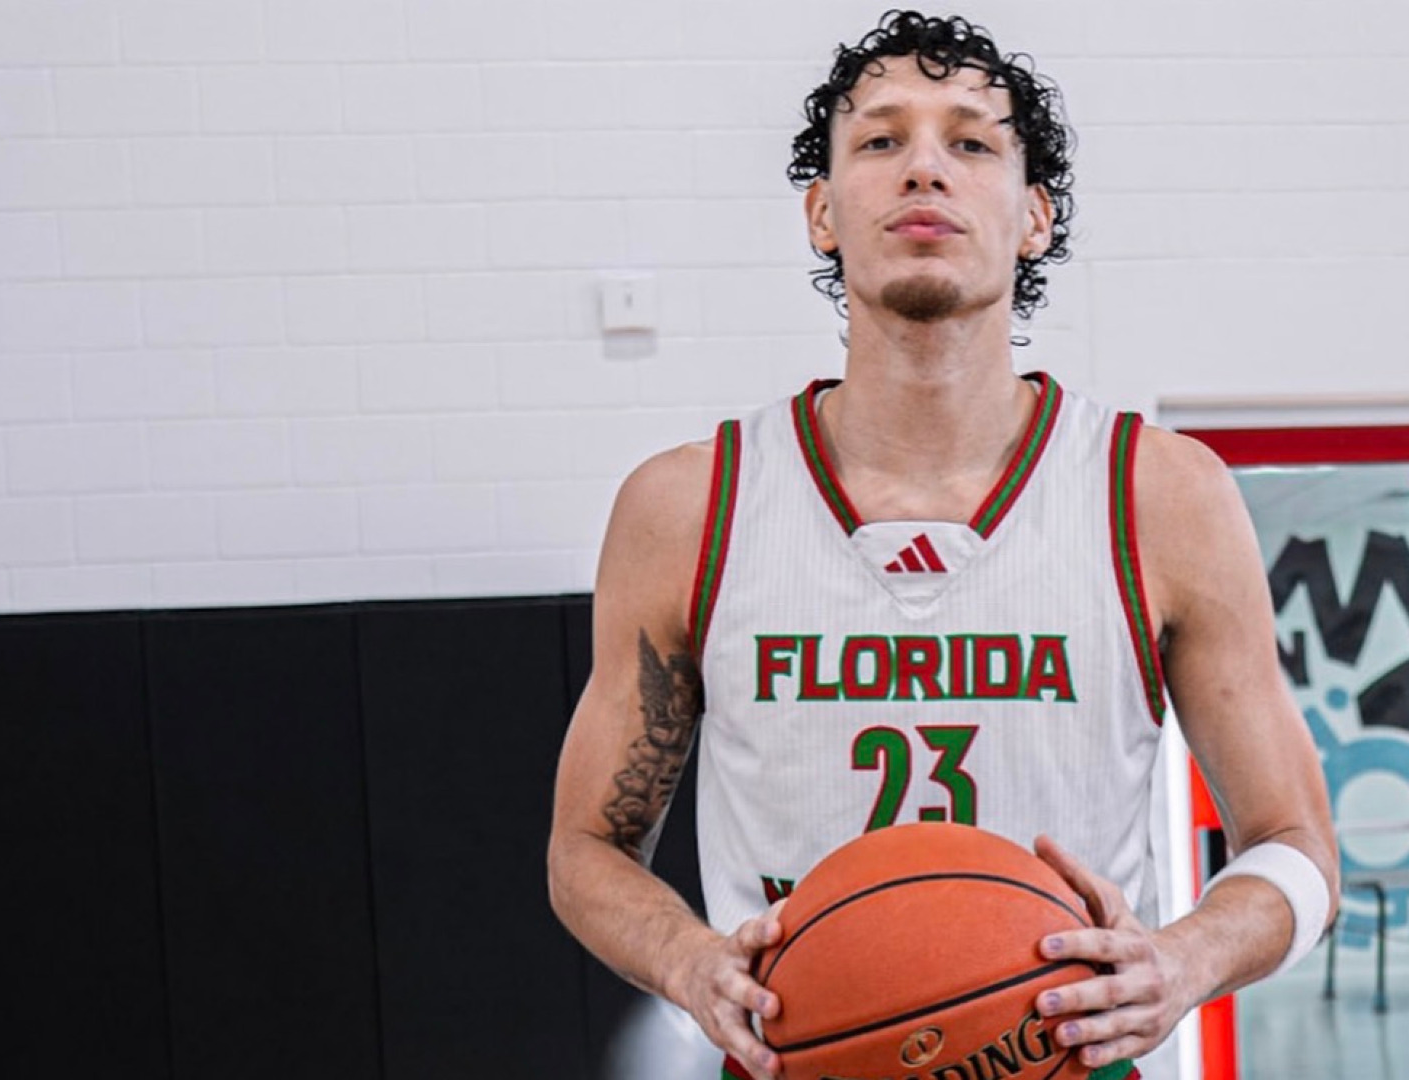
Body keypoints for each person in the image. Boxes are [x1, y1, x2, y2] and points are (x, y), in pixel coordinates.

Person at [548, 12, 1338, 1080]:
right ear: (822, 213)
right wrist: (690, 964)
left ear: (1033, 216)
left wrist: (1180, 961)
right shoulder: (689, 506)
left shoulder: (1157, 495)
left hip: (1060, 1058)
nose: (923, 167)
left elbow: (1298, 848)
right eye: (879, 141)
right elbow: (584, 852)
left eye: (970, 142)